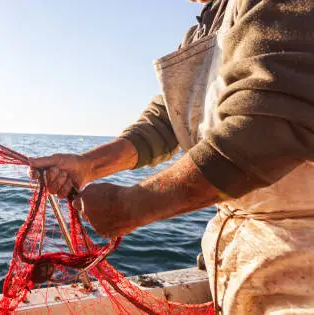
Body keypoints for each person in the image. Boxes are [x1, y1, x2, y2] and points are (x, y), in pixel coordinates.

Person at [29, 0, 314, 314]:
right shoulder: (204, 29)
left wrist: (129, 207)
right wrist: (87, 166)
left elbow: (265, 128)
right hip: (244, 262)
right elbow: (166, 121)